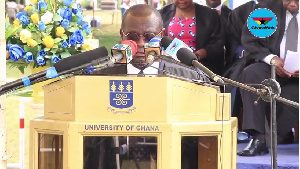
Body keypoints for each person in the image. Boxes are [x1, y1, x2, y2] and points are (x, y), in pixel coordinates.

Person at [84, 4, 211, 169]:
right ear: (122, 36)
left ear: (162, 35)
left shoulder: (187, 79)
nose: (141, 43)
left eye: (150, 36)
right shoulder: (100, 78)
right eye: (133, 36)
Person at [238, 0, 299, 156]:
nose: (293, 4)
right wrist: (271, 58)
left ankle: (280, 132)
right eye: (288, 0)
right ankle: (258, 138)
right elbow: (251, 41)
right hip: (273, 67)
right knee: (251, 73)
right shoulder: (265, 10)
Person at [159, 0, 224, 75]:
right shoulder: (162, 13)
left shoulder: (210, 15)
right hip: (169, 67)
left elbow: (218, 43)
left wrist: (196, 56)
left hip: (200, 68)